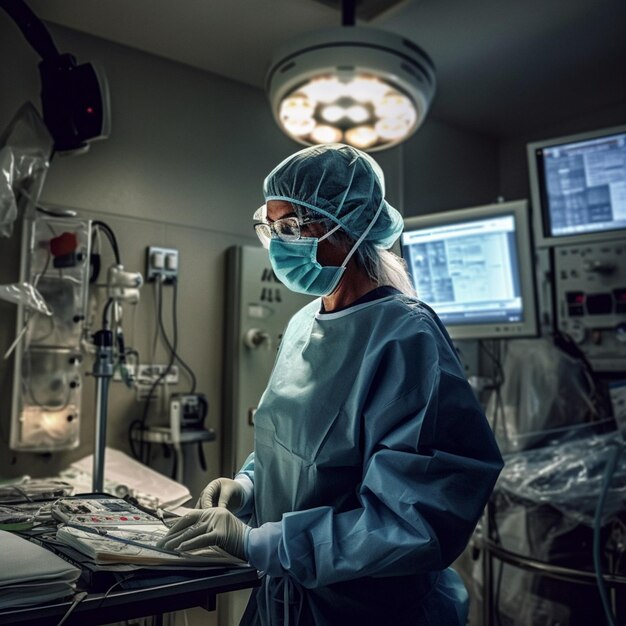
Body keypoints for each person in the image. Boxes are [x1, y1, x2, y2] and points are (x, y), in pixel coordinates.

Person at [158, 143, 504, 625]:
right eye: (270, 227)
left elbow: (414, 519)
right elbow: (295, 444)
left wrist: (259, 541)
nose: (278, 243)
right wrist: (248, 486)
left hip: (369, 610)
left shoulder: (406, 336)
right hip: (287, 601)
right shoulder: (305, 322)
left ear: (344, 225)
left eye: (291, 227)